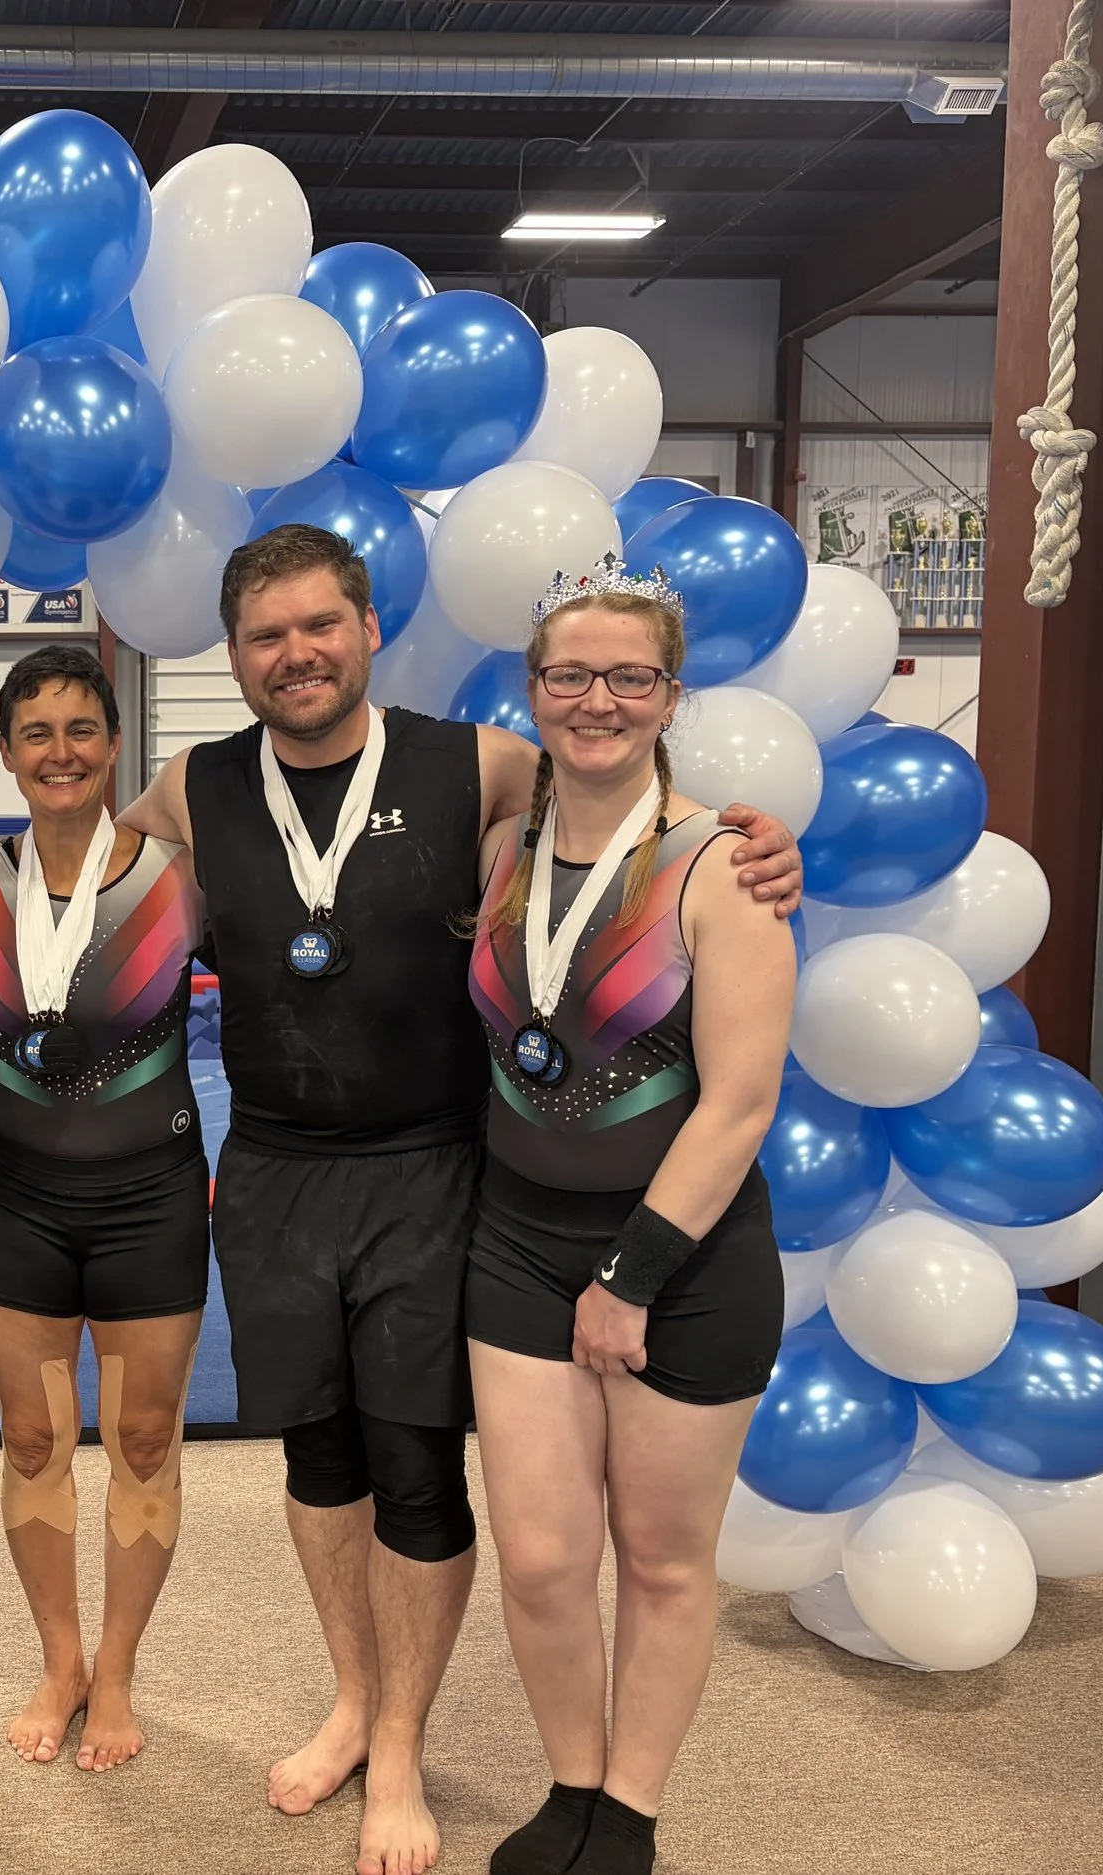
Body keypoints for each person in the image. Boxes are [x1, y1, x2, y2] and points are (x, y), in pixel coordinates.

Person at [115, 524, 800, 1875]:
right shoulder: (193, 785)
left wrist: (759, 837)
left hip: (437, 1170)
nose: (297, 653)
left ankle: (411, 1747)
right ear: (233, 655)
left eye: (321, 624)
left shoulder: (479, 767)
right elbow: (86, 865)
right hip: (277, 1173)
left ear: (370, 629)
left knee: (423, 1469)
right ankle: (355, 1705)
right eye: (266, 635)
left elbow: (624, 788)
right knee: (324, 1462)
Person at [464, 563, 792, 1875]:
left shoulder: (725, 865)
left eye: (628, 676)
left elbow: (742, 1100)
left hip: (683, 1257)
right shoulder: (502, 847)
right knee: (543, 1556)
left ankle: (630, 1812)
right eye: (570, 674)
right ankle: (570, 1782)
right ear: (533, 689)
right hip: (516, 1236)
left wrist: (633, 1278)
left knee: (660, 1556)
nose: (596, 699)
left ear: (669, 694)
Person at [0, 645, 209, 1772]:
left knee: (143, 1436)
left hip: (151, 1197)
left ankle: (120, 1667)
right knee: (32, 1435)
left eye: (81, 729)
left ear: (115, 745)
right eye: (37, 733)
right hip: (20, 1200)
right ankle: (61, 1661)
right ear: (7, 754)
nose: (61, 752)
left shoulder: (183, 878)